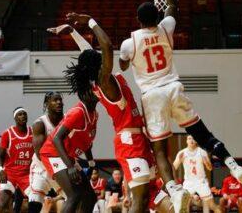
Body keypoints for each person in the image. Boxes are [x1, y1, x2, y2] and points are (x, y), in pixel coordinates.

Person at [119, 0, 242, 212]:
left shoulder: (129, 43)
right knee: (202, 134)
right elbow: (172, 5)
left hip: (153, 96)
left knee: (159, 149)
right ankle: (232, 164)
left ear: (138, 20)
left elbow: (122, 64)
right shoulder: (166, 28)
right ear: (157, 16)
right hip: (174, 88)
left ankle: (173, 188)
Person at [52, 12, 156, 213]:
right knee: (139, 198)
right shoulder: (105, 81)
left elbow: (88, 54)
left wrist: (73, 31)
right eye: (98, 57)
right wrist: (90, 21)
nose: (100, 54)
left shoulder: (97, 77)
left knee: (147, 198)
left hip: (137, 136)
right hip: (128, 139)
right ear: (97, 65)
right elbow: (107, 46)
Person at [39, 66, 99, 212]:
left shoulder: (94, 114)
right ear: (86, 94)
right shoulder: (77, 112)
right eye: (94, 90)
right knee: (74, 194)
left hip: (68, 157)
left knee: (90, 196)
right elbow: (56, 139)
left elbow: (87, 142)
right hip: (53, 154)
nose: (98, 93)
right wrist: (71, 166)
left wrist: (91, 162)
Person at [28, 92, 64, 213]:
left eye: (60, 100)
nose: (59, 102)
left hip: (61, 166)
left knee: (76, 199)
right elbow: (40, 154)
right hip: (41, 168)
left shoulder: (68, 121)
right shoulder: (40, 124)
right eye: (55, 100)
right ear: (47, 104)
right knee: (35, 202)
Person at [0, 107, 34, 213]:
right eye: (20, 114)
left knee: (36, 200)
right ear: (15, 118)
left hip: (26, 174)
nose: (23, 116)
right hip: (10, 173)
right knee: (3, 202)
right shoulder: (7, 134)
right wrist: (0, 169)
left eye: (24, 114)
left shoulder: (33, 132)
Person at [173, 135, 221, 213]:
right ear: (186, 141)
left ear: (196, 141)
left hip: (201, 181)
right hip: (189, 182)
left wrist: (206, 162)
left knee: (211, 205)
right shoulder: (182, 153)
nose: (191, 140)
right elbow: (174, 167)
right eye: (189, 138)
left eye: (193, 138)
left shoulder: (202, 152)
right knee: (184, 204)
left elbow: (210, 168)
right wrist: (179, 160)